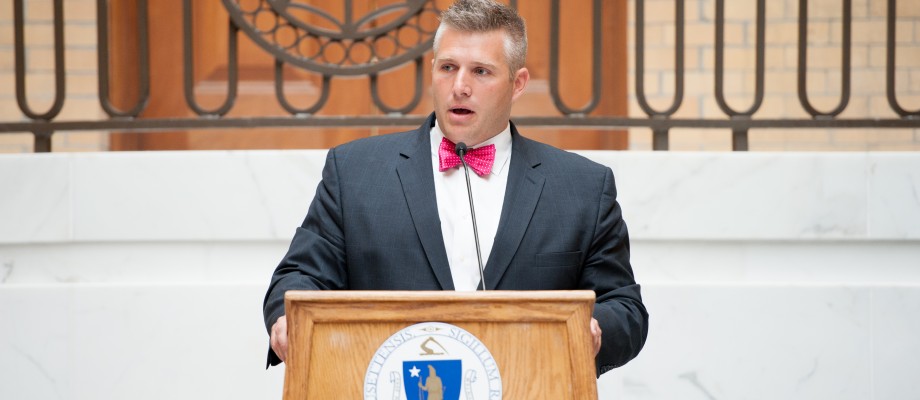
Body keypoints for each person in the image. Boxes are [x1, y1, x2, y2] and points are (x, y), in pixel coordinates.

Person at [263, 0, 648, 376]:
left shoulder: (583, 187)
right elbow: (300, 276)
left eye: (481, 71)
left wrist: (591, 330)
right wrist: (286, 318)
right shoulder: (354, 172)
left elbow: (624, 306)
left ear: (517, 84)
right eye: (448, 67)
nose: (460, 86)